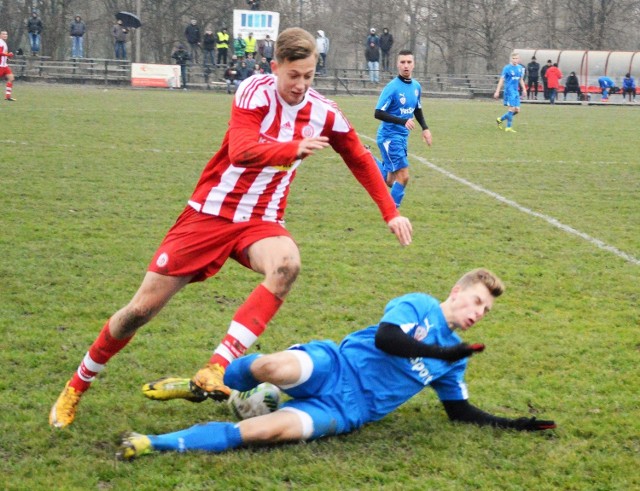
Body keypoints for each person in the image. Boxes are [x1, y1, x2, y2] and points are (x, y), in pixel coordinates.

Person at [49, 27, 412, 430]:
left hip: (261, 219)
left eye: (309, 76)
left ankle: (215, 368)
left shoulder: (323, 111)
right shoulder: (253, 92)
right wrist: (290, 149)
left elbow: (359, 158)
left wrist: (389, 212)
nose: (301, 85)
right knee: (139, 311)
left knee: (287, 265)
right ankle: (76, 386)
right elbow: (242, 150)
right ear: (276, 68)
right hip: (209, 214)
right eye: (294, 76)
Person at [116, 268, 557, 460]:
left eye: (486, 311)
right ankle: (206, 383)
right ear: (457, 292)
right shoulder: (419, 305)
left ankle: (152, 442)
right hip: (336, 364)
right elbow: (388, 339)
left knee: (263, 433)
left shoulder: (453, 364)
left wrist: (515, 424)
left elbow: (459, 413)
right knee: (271, 367)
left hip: (348, 411)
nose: (479, 312)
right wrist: (442, 352)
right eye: (477, 301)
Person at [375, 49, 432, 208]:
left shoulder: (416, 86)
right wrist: (402, 121)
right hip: (389, 137)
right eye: (402, 62)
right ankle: (392, 213)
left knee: (391, 181)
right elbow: (378, 112)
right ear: (397, 64)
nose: (406, 66)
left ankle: (368, 159)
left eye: (409, 62)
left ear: (413, 65)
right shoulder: (392, 87)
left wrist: (425, 128)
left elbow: (417, 108)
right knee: (404, 177)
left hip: (401, 137)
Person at [494, 52, 527, 133]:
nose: (515, 60)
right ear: (511, 59)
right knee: (511, 108)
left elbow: (521, 79)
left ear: (519, 59)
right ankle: (508, 127)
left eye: (516, 58)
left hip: (516, 91)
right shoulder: (507, 68)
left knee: (517, 110)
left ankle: (500, 119)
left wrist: (524, 89)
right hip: (509, 90)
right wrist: (497, 91)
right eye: (513, 58)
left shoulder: (520, 68)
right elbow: (501, 80)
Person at [0, 31, 16, 101]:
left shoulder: (4, 43)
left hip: (4, 66)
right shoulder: (0, 42)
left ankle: (8, 96)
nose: (5, 35)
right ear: (0, 35)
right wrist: (7, 55)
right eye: (3, 34)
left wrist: (7, 57)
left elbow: (3, 53)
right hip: (0, 66)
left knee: (11, 78)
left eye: (6, 34)